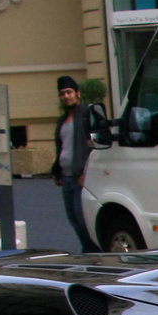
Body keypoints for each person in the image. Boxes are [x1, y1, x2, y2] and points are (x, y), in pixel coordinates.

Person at [50, 75, 97, 252]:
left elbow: (94, 146)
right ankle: (87, 252)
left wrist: (85, 172)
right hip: (66, 177)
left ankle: (93, 253)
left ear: (77, 93)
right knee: (74, 220)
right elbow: (61, 147)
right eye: (62, 93)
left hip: (81, 178)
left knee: (84, 219)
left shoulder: (86, 115)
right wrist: (57, 172)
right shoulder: (62, 121)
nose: (66, 96)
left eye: (69, 92)